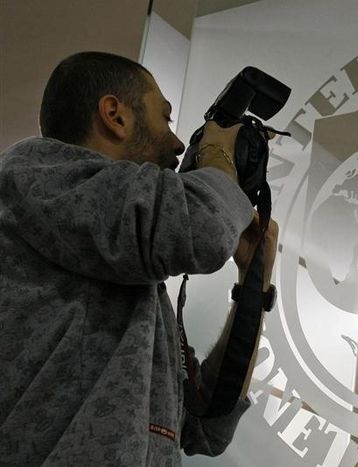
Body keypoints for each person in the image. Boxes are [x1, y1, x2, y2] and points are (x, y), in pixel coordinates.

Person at [0, 51, 278, 465]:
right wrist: (220, 156)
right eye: (165, 118)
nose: (180, 143)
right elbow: (199, 227)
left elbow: (206, 427)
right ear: (115, 114)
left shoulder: (118, 263)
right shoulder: (35, 177)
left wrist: (254, 276)